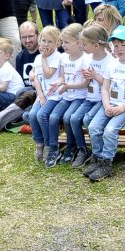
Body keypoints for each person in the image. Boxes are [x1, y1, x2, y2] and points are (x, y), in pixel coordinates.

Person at [83, 26, 125, 182]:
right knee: (93, 127)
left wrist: (123, 108)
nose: (119, 49)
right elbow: (105, 87)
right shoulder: (112, 64)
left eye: (123, 45)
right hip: (110, 104)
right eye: (116, 45)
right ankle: (97, 157)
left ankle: (107, 162)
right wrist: (106, 105)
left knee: (110, 130)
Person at [42, 24, 89, 167]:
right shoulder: (64, 57)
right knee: (53, 117)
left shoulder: (85, 59)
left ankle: (73, 146)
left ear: (78, 42)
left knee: (68, 117)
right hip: (66, 95)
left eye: (67, 42)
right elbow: (62, 77)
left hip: (80, 97)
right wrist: (57, 83)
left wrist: (68, 86)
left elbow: (86, 84)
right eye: (62, 42)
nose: (63, 45)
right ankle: (53, 147)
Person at [67, 25, 113, 168]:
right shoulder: (87, 58)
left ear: (96, 45)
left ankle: (98, 152)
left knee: (88, 120)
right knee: (74, 119)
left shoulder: (109, 61)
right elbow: (86, 82)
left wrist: (95, 76)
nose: (82, 46)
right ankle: (82, 150)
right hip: (90, 98)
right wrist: (69, 85)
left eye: (84, 44)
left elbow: (109, 86)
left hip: (102, 100)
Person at [28, 25, 63, 163]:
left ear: (57, 43)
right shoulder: (38, 58)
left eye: (50, 42)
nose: (46, 44)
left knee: (42, 115)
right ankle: (39, 143)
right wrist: (40, 96)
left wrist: (43, 58)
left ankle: (49, 145)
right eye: (43, 41)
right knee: (32, 115)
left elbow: (48, 74)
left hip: (55, 95)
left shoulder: (56, 57)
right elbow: (36, 78)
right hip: (43, 94)